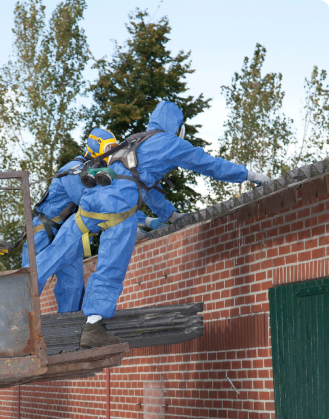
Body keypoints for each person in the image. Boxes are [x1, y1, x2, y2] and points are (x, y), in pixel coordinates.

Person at [35, 101, 270, 347]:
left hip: (89, 205)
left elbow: (141, 183)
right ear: (177, 126)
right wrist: (249, 175)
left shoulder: (133, 140)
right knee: (110, 268)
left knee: (52, 254)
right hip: (119, 212)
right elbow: (209, 164)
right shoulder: (171, 143)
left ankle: (19, 303)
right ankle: (93, 327)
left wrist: (169, 215)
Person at [22, 127, 171, 312]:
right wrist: (143, 222)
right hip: (43, 233)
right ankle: (16, 322)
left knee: (73, 287)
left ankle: (68, 331)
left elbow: (112, 204)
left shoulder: (95, 172)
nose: (111, 154)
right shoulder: (74, 171)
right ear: (96, 147)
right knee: (30, 283)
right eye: (108, 148)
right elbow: (100, 205)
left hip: (69, 237)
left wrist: (145, 221)